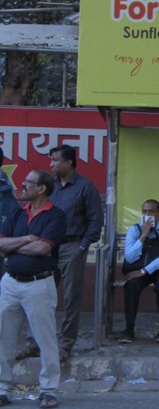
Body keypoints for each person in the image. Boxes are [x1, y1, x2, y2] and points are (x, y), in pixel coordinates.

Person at [17, 144, 103, 363]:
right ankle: (32, 343)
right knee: (39, 294)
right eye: (51, 160)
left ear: (69, 162)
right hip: (47, 246)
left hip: (73, 245)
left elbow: (95, 220)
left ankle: (65, 344)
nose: (52, 164)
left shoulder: (85, 187)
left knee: (71, 296)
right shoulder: (49, 187)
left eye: (55, 160)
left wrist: (83, 246)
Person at [0, 169, 66, 408]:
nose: (24, 185)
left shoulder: (55, 216)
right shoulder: (18, 213)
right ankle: (2, 388)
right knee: (3, 337)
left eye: (29, 182)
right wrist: (27, 239)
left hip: (39, 284)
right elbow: (1, 244)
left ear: (42, 189)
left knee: (45, 339)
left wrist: (13, 246)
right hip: (10, 282)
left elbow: (43, 249)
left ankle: (48, 390)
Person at [120, 199, 159, 343]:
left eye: (151, 211)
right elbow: (129, 257)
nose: (147, 215)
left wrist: (145, 270)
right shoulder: (134, 230)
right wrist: (143, 236)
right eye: (144, 211)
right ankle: (129, 329)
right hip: (140, 268)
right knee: (131, 285)